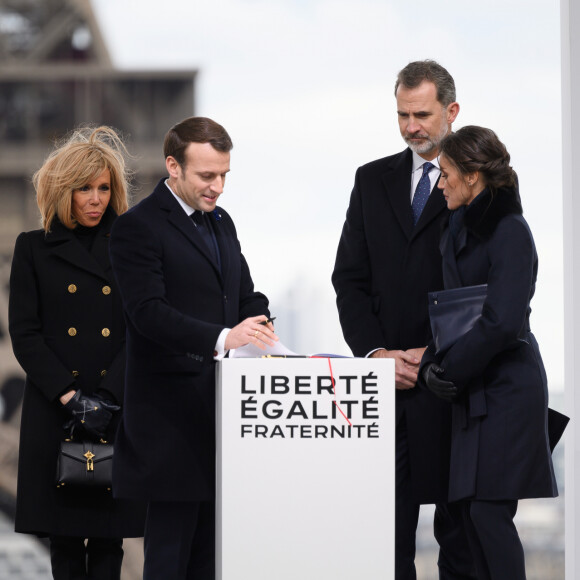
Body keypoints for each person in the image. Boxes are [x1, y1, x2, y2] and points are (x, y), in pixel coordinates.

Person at [108, 116, 277, 580]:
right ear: (173, 167)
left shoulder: (222, 222)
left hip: (223, 421)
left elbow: (244, 294)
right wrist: (225, 337)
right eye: (207, 175)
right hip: (169, 428)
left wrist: (261, 322)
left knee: (210, 562)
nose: (218, 186)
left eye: (224, 175)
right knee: (168, 561)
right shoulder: (136, 227)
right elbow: (147, 313)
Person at [332, 60, 475, 579]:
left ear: (451, 111)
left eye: (421, 113)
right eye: (401, 114)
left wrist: (435, 355)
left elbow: (491, 287)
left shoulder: (483, 182)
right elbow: (348, 279)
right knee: (384, 545)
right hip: (385, 390)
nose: (410, 126)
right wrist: (374, 357)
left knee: (461, 541)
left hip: (457, 385)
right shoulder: (370, 181)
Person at [8, 126, 146, 580]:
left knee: (111, 539)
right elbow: (25, 333)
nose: (96, 199)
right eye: (84, 188)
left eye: (104, 188)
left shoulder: (131, 247)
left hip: (115, 406)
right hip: (56, 408)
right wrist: (71, 397)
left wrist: (105, 398)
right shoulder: (32, 247)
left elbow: (137, 328)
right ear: (62, 189)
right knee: (63, 540)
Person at [420, 126, 558, 580]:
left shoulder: (511, 231)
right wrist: (433, 366)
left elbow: (502, 321)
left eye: (446, 174)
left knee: (487, 515)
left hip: (506, 392)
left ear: (473, 176)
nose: (440, 184)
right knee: (467, 519)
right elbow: (452, 315)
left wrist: (449, 369)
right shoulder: (457, 227)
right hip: (471, 389)